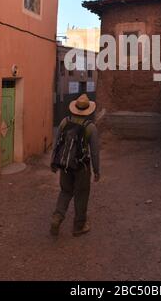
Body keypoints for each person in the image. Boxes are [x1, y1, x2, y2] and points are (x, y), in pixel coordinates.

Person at [50, 94, 100, 237]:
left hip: (65, 165)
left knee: (65, 191)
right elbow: (95, 152)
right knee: (81, 194)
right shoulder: (90, 128)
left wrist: (54, 162)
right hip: (82, 168)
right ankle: (79, 226)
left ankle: (57, 217)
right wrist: (96, 171)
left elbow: (56, 144)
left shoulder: (64, 122)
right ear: (88, 110)